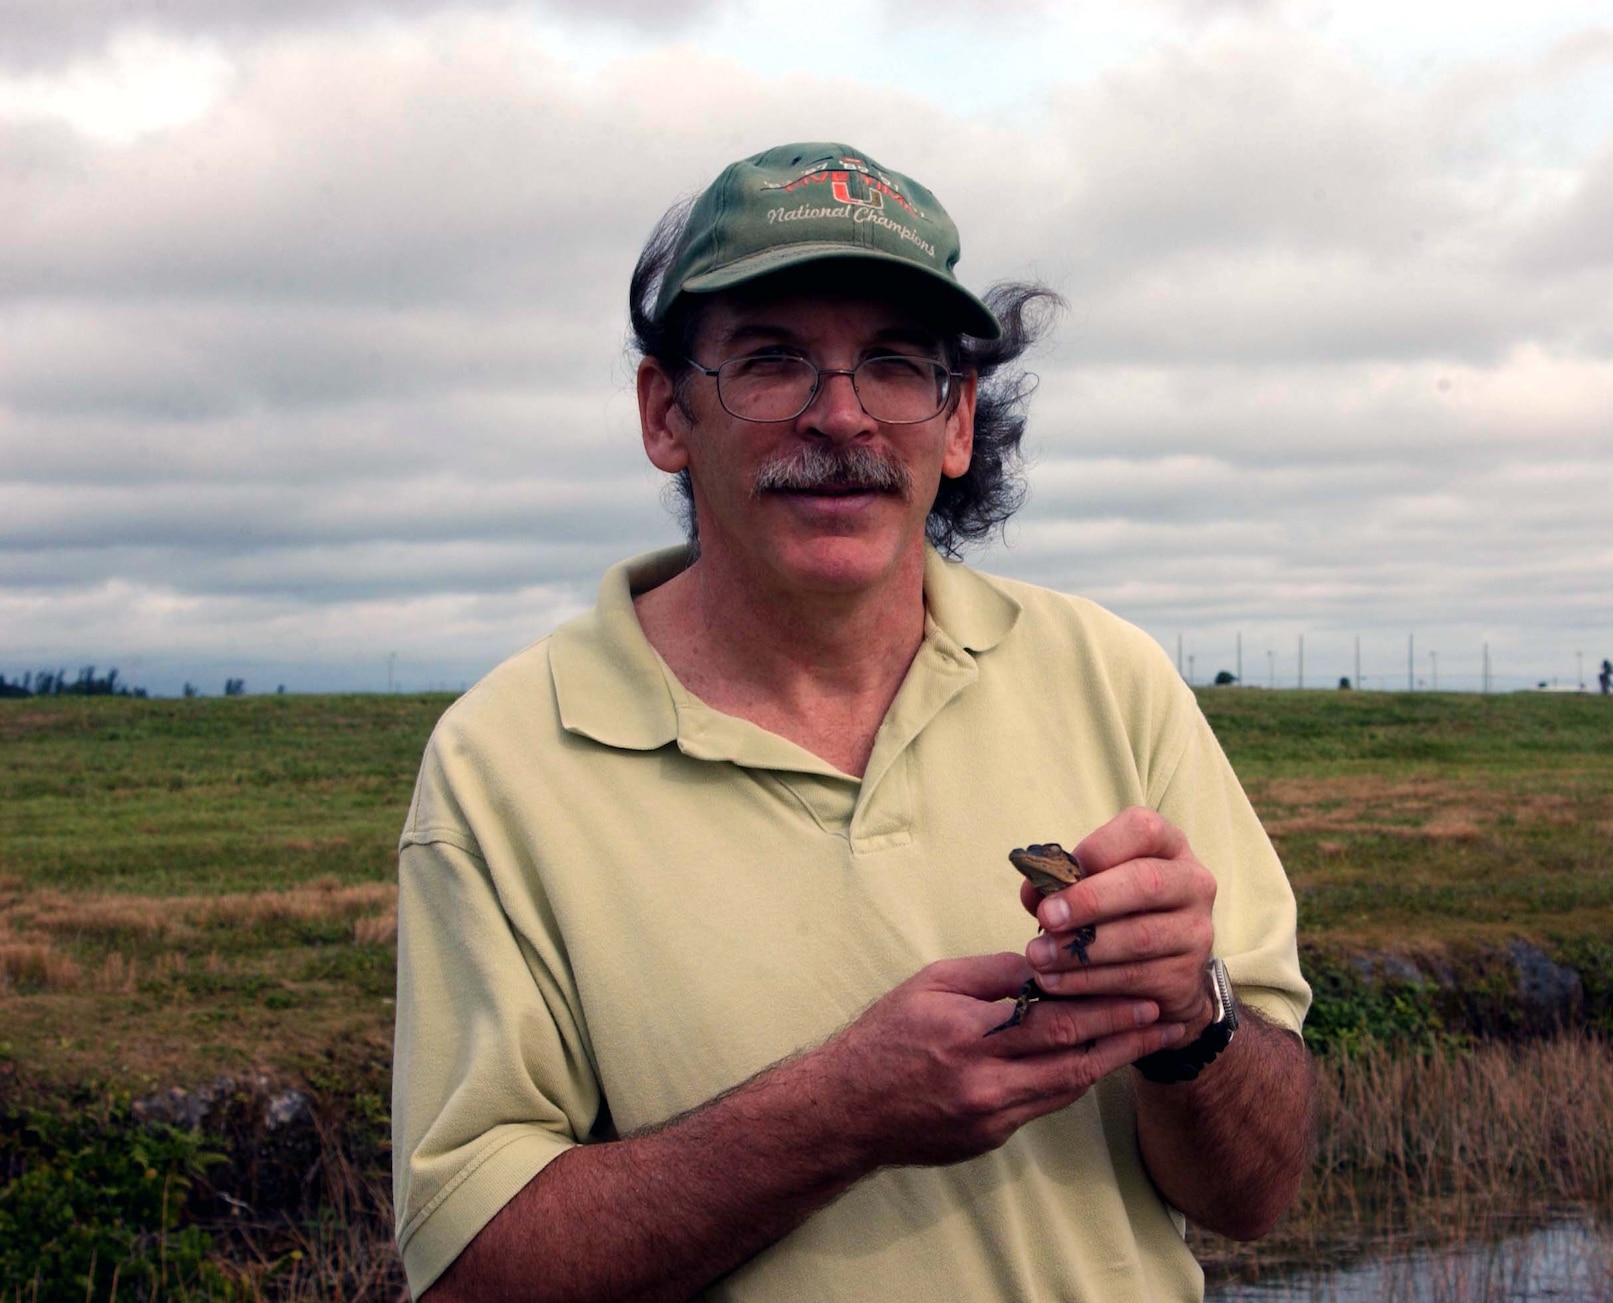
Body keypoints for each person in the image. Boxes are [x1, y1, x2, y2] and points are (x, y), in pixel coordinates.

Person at [392, 142, 1315, 1302]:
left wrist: (1191, 1019)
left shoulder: (1112, 679)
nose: (841, 418)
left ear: (959, 419)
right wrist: (840, 1113)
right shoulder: (503, 762)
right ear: (664, 411)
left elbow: (1257, 1192)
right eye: (772, 362)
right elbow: (473, 1275)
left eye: (893, 365)